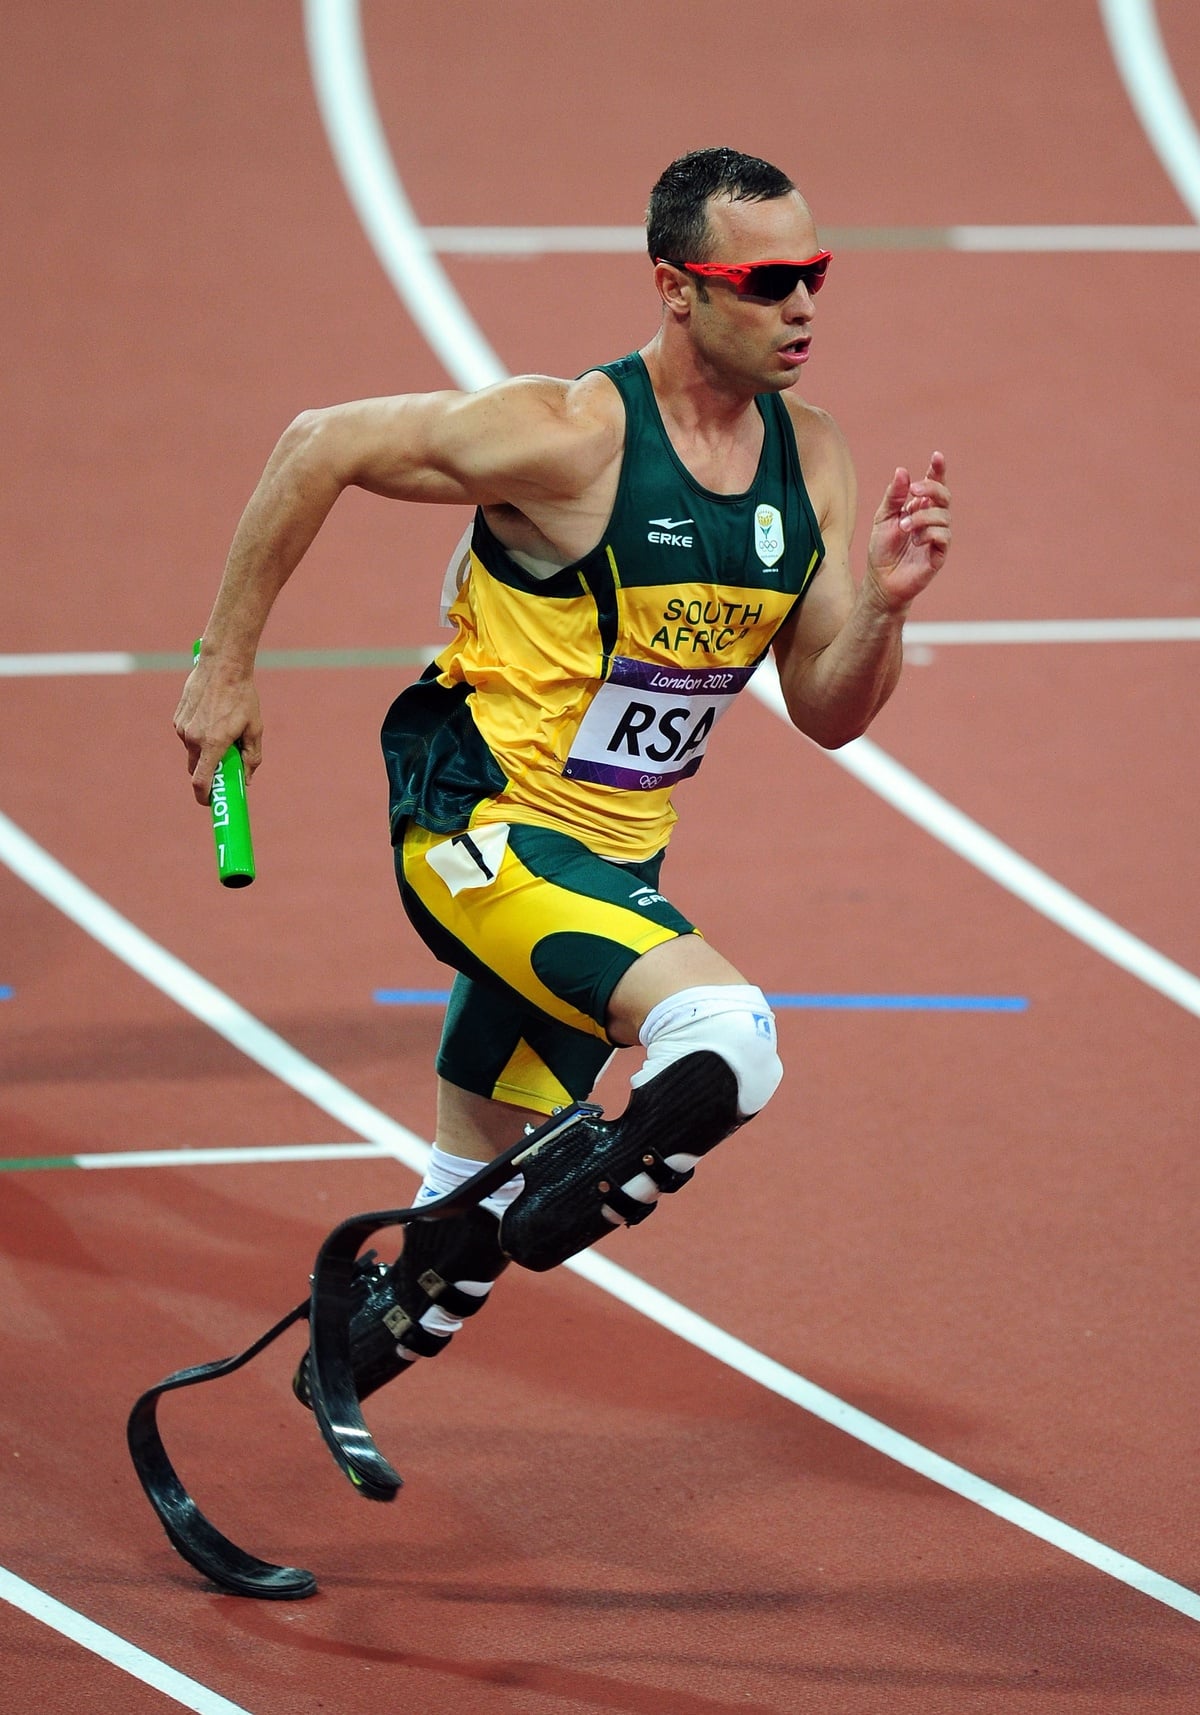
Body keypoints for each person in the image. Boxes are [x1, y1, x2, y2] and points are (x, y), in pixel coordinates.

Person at [174, 146, 951, 1406]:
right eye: (767, 280)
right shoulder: (573, 435)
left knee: (452, 1224)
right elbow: (319, 443)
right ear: (677, 288)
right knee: (730, 1040)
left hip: (611, 859)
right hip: (478, 830)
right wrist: (225, 664)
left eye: (815, 273)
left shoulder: (810, 459)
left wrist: (887, 609)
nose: (804, 303)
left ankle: (359, 1342)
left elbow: (828, 711)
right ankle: (540, 1214)